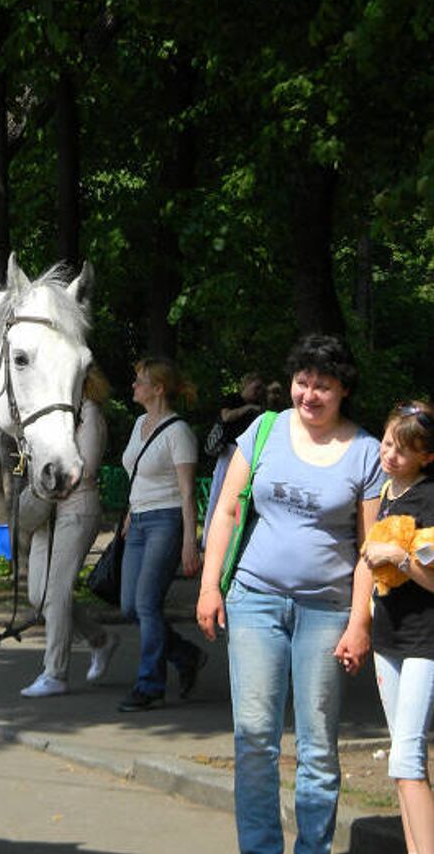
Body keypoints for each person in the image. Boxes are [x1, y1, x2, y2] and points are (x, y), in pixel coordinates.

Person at [196, 334, 383, 854]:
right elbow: (227, 512)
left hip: (327, 612)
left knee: (317, 746)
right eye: (303, 383)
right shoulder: (264, 429)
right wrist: (210, 586)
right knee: (255, 738)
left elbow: (370, 548)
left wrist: (359, 623)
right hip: (253, 601)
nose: (309, 395)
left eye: (323, 386)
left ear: (343, 389)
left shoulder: (366, 452)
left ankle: (313, 849)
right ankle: (259, 848)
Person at [20, 364, 119, 697]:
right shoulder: (53, 418)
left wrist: (47, 478)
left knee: (57, 592)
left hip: (76, 511)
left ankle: (55, 673)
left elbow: (86, 469)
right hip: (45, 510)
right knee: (39, 595)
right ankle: (99, 639)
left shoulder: (88, 415)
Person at [363, 400, 434, 854]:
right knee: (405, 760)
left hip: (423, 643)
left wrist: (401, 560)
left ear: (426, 458)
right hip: (386, 640)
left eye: (403, 451)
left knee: (405, 761)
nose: (390, 455)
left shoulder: (429, 499)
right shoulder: (387, 493)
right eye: (387, 443)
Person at [117, 356, 204, 712]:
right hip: (137, 521)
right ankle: (185, 654)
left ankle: (150, 685)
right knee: (129, 606)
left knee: (147, 604)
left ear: (158, 389)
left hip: (166, 522)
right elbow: (135, 475)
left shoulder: (178, 432)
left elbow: (187, 492)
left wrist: (189, 540)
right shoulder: (139, 422)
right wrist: (128, 514)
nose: (134, 386)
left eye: (140, 381)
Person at [201, 373, 266, 548]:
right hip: (228, 451)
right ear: (247, 384)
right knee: (218, 494)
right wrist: (248, 409)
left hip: (247, 453)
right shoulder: (233, 399)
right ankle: (208, 541)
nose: (258, 391)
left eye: (261, 388)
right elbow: (226, 416)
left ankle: (232, 540)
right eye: (256, 387)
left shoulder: (259, 406)